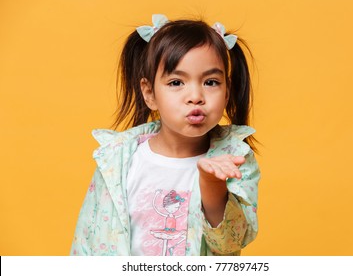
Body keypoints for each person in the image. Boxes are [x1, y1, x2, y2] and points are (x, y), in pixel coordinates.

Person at [70, 14, 260, 256]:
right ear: (149, 94)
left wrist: (213, 185)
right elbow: (87, 240)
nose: (196, 96)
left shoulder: (234, 159)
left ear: (227, 92)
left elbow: (230, 244)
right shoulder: (117, 160)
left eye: (211, 82)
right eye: (176, 82)